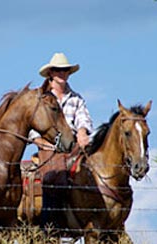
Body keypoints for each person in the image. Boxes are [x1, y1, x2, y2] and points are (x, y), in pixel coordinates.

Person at [29, 52, 93, 228]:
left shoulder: (76, 99)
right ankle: (51, 225)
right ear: (51, 73)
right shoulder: (41, 99)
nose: (62, 73)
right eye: (58, 70)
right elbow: (33, 129)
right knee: (52, 176)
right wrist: (43, 143)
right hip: (48, 146)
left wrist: (81, 132)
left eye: (65, 70)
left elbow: (84, 119)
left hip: (72, 146)